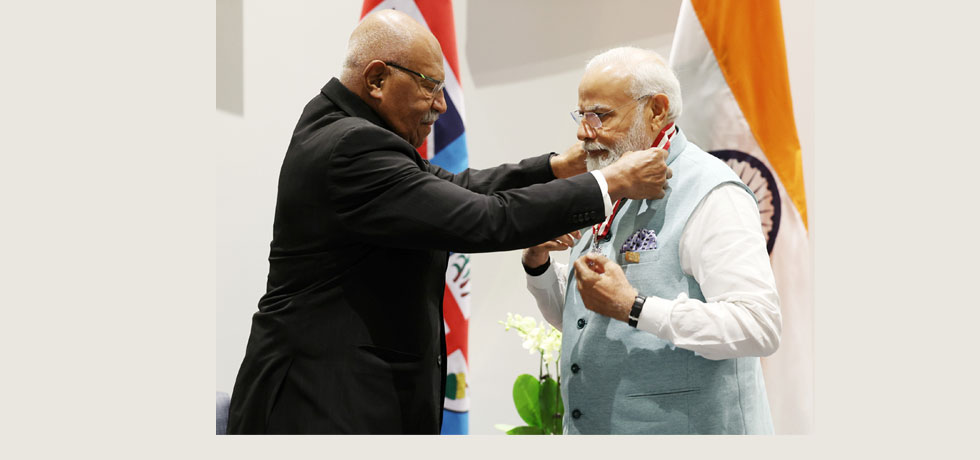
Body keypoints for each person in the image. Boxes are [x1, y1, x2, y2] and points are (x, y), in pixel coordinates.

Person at [227, 11, 672, 434]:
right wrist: (607, 183)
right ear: (377, 79)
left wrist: (555, 166)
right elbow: (483, 218)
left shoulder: (343, 126)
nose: (441, 105)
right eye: (430, 86)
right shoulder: (352, 147)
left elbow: (459, 185)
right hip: (321, 403)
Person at [522, 47, 782, 434]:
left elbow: (758, 325)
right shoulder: (606, 181)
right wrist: (538, 262)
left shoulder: (711, 192)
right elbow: (582, 319)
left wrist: (634, 306)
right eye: (582, 115)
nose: (582, 132)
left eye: (601, 115)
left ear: (657, 110)